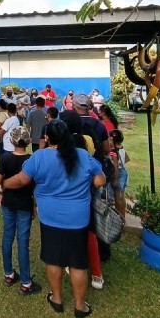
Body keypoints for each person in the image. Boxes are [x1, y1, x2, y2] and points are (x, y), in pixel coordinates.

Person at [4, 120, 105, 318]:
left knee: (53, 259)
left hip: (50, 218)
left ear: (47, 138)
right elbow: (100, 179)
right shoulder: (83, 156)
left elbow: (22, 180)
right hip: (78, 218)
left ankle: (57, 299)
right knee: (77, 263)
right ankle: (80, 306)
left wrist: (5, 183)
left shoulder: (40, 157)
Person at [59, 109, 105, 290]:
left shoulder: (63, 143)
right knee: (90, 233)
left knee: (69, 233)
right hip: (88, 189)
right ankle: (97, 274)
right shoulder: (88, 139)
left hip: (70, 193)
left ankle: (73, 265)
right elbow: (97, 170)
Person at [0, 126, 41, 295]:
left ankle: (8, 274)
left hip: (8, 203)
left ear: (12, 141)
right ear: (28, 142)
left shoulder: (6, 158)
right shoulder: (32, 160)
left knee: (7, 236)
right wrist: (34, 206)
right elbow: (35, 186)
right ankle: (26, 283)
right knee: (23, 241)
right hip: (24, 205)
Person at [109, 129, 129, 220]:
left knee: (117, 198)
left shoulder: (113, 151)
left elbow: (116, 166)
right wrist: (122, 163)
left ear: (112, 140)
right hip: (124, 172)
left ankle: (118, 218)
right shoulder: (121, 147)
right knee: (122, 196)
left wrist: (115, 179)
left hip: (118, 173)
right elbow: (127, 159)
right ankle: (123, 217)